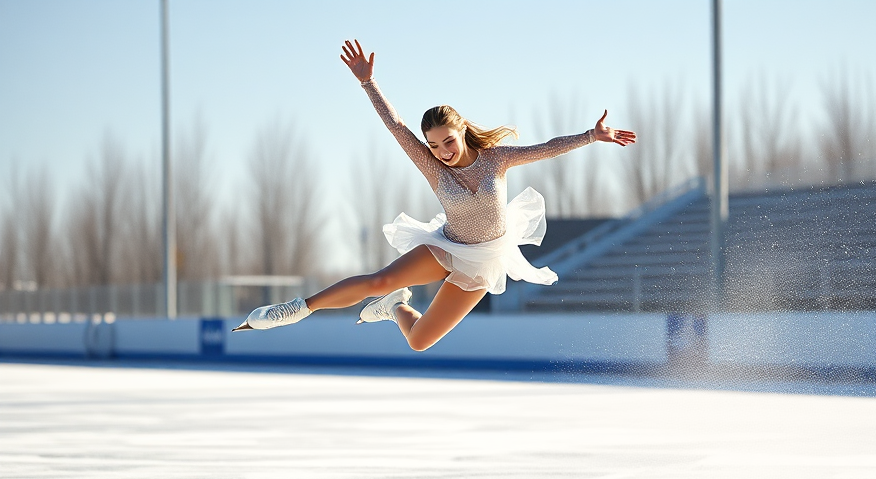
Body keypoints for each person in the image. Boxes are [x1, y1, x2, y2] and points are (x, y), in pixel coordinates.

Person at [233, 39, 636, 351]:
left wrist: (590, 136)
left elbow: (545, 148)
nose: (443, 150)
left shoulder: (496, 160)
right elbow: (396, 126)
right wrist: (368, 82)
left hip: (485, 261)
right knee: (381, 279)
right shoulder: (433, 166)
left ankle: (395, 308)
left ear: (461, 130)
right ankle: (300, 309)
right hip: (447, 246)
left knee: (419, 340)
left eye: (447, 140)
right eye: (434, 144)